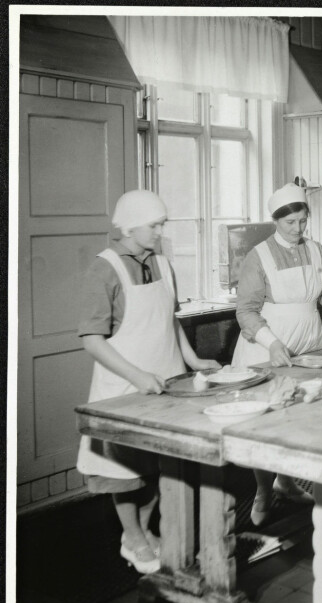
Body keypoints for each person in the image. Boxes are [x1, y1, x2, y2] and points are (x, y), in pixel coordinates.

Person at [77, 190, 220, 574]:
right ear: (130, 225)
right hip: (125, 387)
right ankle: (134, 537)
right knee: (124, 472)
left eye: (162, 224)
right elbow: (92, 340)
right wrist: (137, 376)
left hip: (166, 380)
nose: (160, 232)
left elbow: (168, 320)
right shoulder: (104, 268)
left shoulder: (162, 263)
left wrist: (193, 359)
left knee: (159, 464)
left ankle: (141, 531)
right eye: (154, 225)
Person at [234, 182, 322, 524]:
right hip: (269, 343)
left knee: (301, 417)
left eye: (302, 221)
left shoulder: (316, 249)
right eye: (290, 224)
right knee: (267, 424)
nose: (298, 229)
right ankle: (263, 490)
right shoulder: (259, 257)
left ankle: (286, 482)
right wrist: (271, 341)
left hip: (308, 339)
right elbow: (246, 311)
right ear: (275, 222)